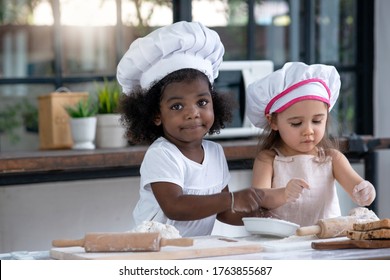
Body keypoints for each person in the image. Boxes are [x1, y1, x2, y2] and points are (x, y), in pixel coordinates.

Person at [116, 21, 265, 237]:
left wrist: (261, 215)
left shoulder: (215, 153)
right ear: (156, 115)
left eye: (202, 102)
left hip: (193, 251)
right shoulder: (162, 154)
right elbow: (175, 207)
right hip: (155, 252)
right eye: (177, 106)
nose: (193, 113)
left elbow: (223, 212)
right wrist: (233, 198)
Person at [245, 62, 376, 226]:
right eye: (296, 123)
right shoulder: (268, 159)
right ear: (273, 122)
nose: (308, 130)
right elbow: (259, 198)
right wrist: (284, 194)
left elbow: (356, 186)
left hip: (326, 243)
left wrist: (366, 192)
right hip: (281, 245)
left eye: (317, 121)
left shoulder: (332, 158)